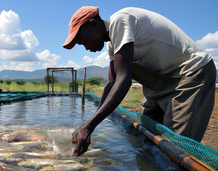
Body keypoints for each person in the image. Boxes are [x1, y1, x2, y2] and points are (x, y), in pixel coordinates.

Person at [63, 6, 216, 155]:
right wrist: (91, 122)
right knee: (142, 139)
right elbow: (110, 84)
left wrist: (89, 126)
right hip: (162, 83)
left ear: (93, 24)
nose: (86, 47)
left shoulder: (120, 20)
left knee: (175, 150)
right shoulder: (112, 45)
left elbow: (123, 80)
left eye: (84, 41)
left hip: (190, 75)